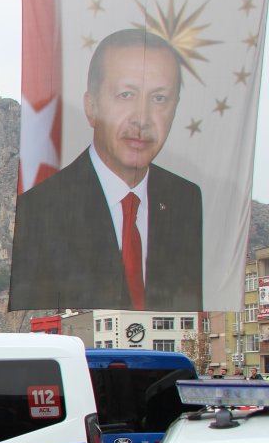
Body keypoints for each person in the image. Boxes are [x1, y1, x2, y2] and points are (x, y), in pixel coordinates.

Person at [10, 28, 202, 311]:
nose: (142, 119)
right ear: (92, 107)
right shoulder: (43, 208)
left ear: (175, 109)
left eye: (159, 99)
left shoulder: (185, 199)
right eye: (126, 95)